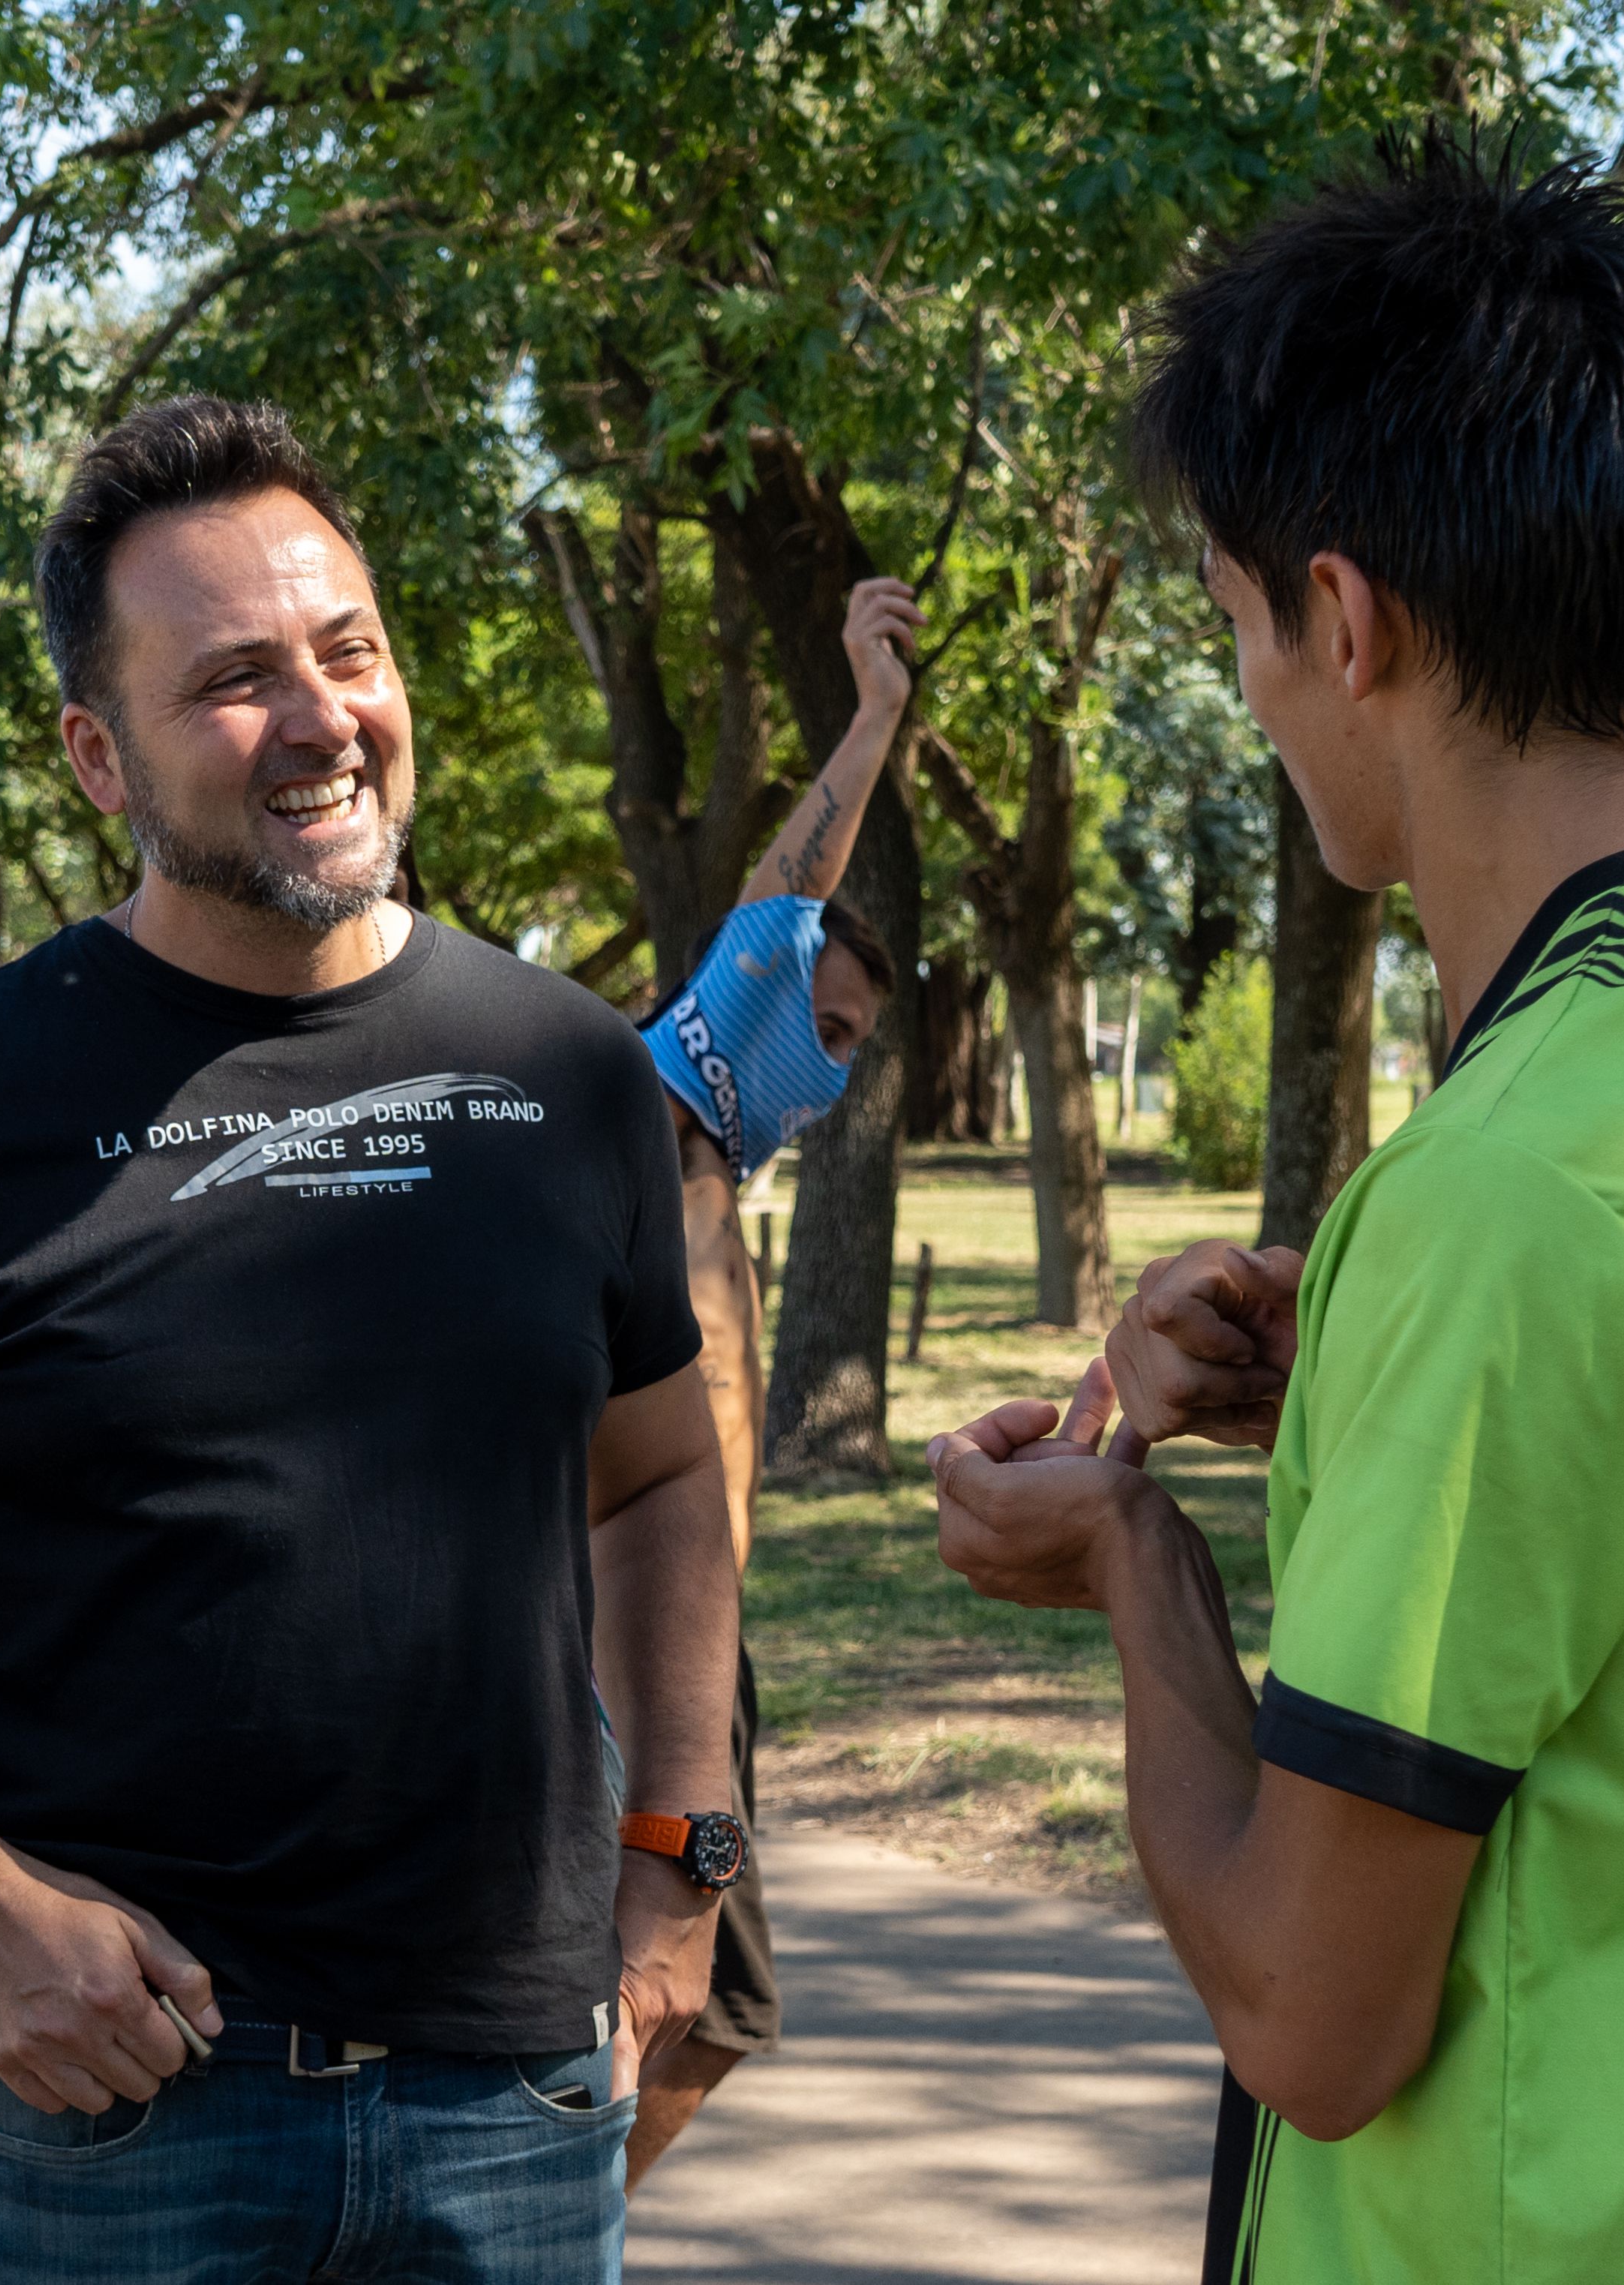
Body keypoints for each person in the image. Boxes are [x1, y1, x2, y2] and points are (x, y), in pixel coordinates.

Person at [928, 138, 1624, 2285]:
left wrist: (1130, 1552)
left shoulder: (1505, 1198)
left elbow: (1315, 2018)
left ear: (1339, 615)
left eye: (1233, 625)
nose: (1251, 694)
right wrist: (1367, 1387)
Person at [0, 395, 744, 2285]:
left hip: (517, 2106)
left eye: (347, 649)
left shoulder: (570, 1071)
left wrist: (680, 1858)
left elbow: (660, 1482)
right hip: (109, 2121)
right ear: (97, 754)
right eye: (232, 679)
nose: (318, 719)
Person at [619, 571, 918, 2183]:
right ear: (752, 996)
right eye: (829, 1020)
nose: (840, 1061)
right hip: (631, 1641)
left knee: (682, 1998)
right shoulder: (632, 1129)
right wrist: (870, 722)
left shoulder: (717, 1162)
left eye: (859, 1040)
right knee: (707, 1998)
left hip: (702, 1655)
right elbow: (784, 892)